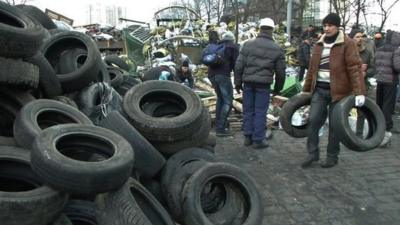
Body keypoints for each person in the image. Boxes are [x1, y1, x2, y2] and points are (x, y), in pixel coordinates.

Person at [301, 13, 365, 168]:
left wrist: (359, 92)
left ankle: (332, 156)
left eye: (330, 25)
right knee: (313, 121)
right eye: (325, 25)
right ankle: (312, 154)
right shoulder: (319, 43)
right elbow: (312, 69)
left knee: (335, 126)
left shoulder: (347, 43)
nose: (327, 28)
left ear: (338, 27)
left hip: (339, 93)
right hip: (320, 90)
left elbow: (354, 68)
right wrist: (306, 89)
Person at [234, 17, 286, 149]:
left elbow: (239, 65)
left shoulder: (247, 44)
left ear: (260, 29)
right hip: (263, 85)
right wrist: (277, 89)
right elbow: (281, 73)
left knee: (248, 110)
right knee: (260, 111)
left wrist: (238, 83)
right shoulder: (277, 49)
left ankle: (247, 137)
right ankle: (258, 140)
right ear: (272, 30)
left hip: (248, 83)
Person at [206, 30, 239, 136]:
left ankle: (219, 126)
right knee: (228, 101)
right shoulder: (233, 47)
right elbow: (236, 65)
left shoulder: (217, 46)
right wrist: (238, 82)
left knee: (220, 99)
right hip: (223, 75)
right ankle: (221, 129)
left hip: (211, 75)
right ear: (232, 39)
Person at [375, 30, 400, 145]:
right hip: (390, 81)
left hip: (380, 80)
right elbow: (397, 67)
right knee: (387, 106)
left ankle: (378, 129)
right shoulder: (396, 50)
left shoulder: (380, 49)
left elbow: (376, 63)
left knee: (379, 104)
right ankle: (387, 131)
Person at [349, 28, 376, 137]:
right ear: (352, 39)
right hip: (348, 85)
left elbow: (373, 69)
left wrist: (366, 73)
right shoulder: (347, 51)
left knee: (361, 110)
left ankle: (359, 134)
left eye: (361, 36)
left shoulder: (368, 52)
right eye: (357, 37)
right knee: (345, 109)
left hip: (361, 85)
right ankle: (345, 132)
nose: (360, 39)